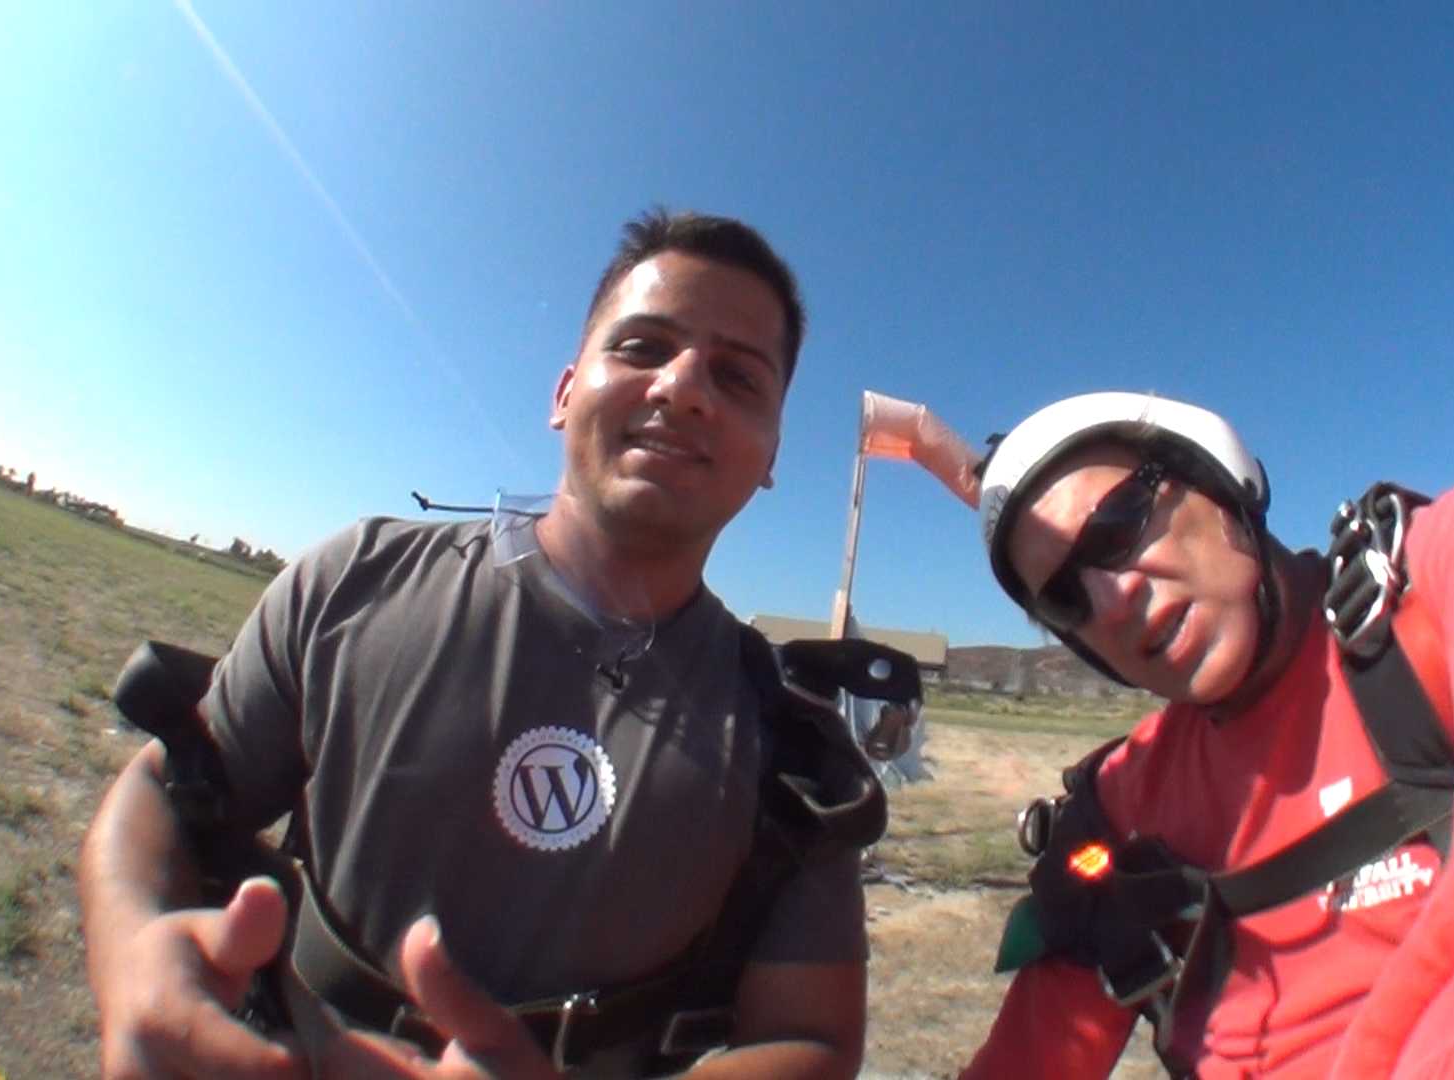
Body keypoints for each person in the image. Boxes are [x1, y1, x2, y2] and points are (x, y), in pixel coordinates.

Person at [79, 209, 879, 1080]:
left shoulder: (791, 744)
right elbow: (166, 792)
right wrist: (133, 960)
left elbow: (813, 1041)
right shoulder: (354, 580)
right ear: (565, 393)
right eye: (643, 347)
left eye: (737, 376)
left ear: (771, 454)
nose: (683, 387)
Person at [959, 391, 1454, 1078]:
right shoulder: (1125, 801)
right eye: (1065, 599)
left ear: (1217, 481)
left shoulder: (1450, 583)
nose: (1113, 601)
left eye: (1118, 524)